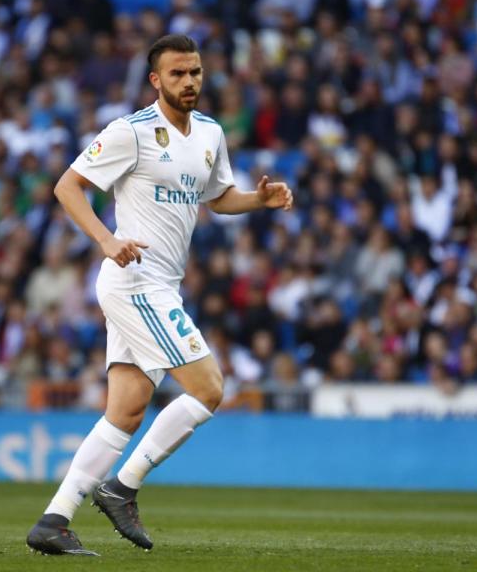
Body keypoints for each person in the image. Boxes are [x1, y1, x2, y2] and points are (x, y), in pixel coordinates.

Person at [25, 34, 293, 556]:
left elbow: (217, 199)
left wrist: (258, 200)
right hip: (135, 283)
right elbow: (66, 186)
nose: (189, 81)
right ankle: (122, 488)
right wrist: (107, 240)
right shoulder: (131, 132)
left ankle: (53, 522)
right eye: (177, 74)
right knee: (209, 388)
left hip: (161, 285)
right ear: (156, 80)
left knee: (125, 412)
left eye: (194, 71)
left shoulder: (211, 134)